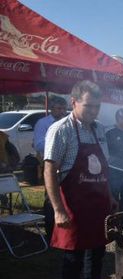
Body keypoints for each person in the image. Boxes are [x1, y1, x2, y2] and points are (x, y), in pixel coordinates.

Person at [44, 80, 119, 279]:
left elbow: (104, 167)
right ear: (73, 102)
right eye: (88, 106)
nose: (93, 111)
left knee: (97, 251)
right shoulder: (60, 129)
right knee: (72, 259)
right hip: (72, 205)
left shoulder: (98, 130)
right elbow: (50, 170)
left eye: (97, 107)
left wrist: (110, 197)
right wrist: (58, 209)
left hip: (97, 203)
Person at [33, 96, 68, 240]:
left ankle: (63, 231)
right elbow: (38, 145)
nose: (62, 111)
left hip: (66, 166)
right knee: (50, 199)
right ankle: (50, 233)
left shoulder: (68, 123)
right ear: (52, 108)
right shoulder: (43, 123)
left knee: (66, 197)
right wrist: (56, 141)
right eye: (59, 108)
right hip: (51, 166)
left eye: (64, 109)